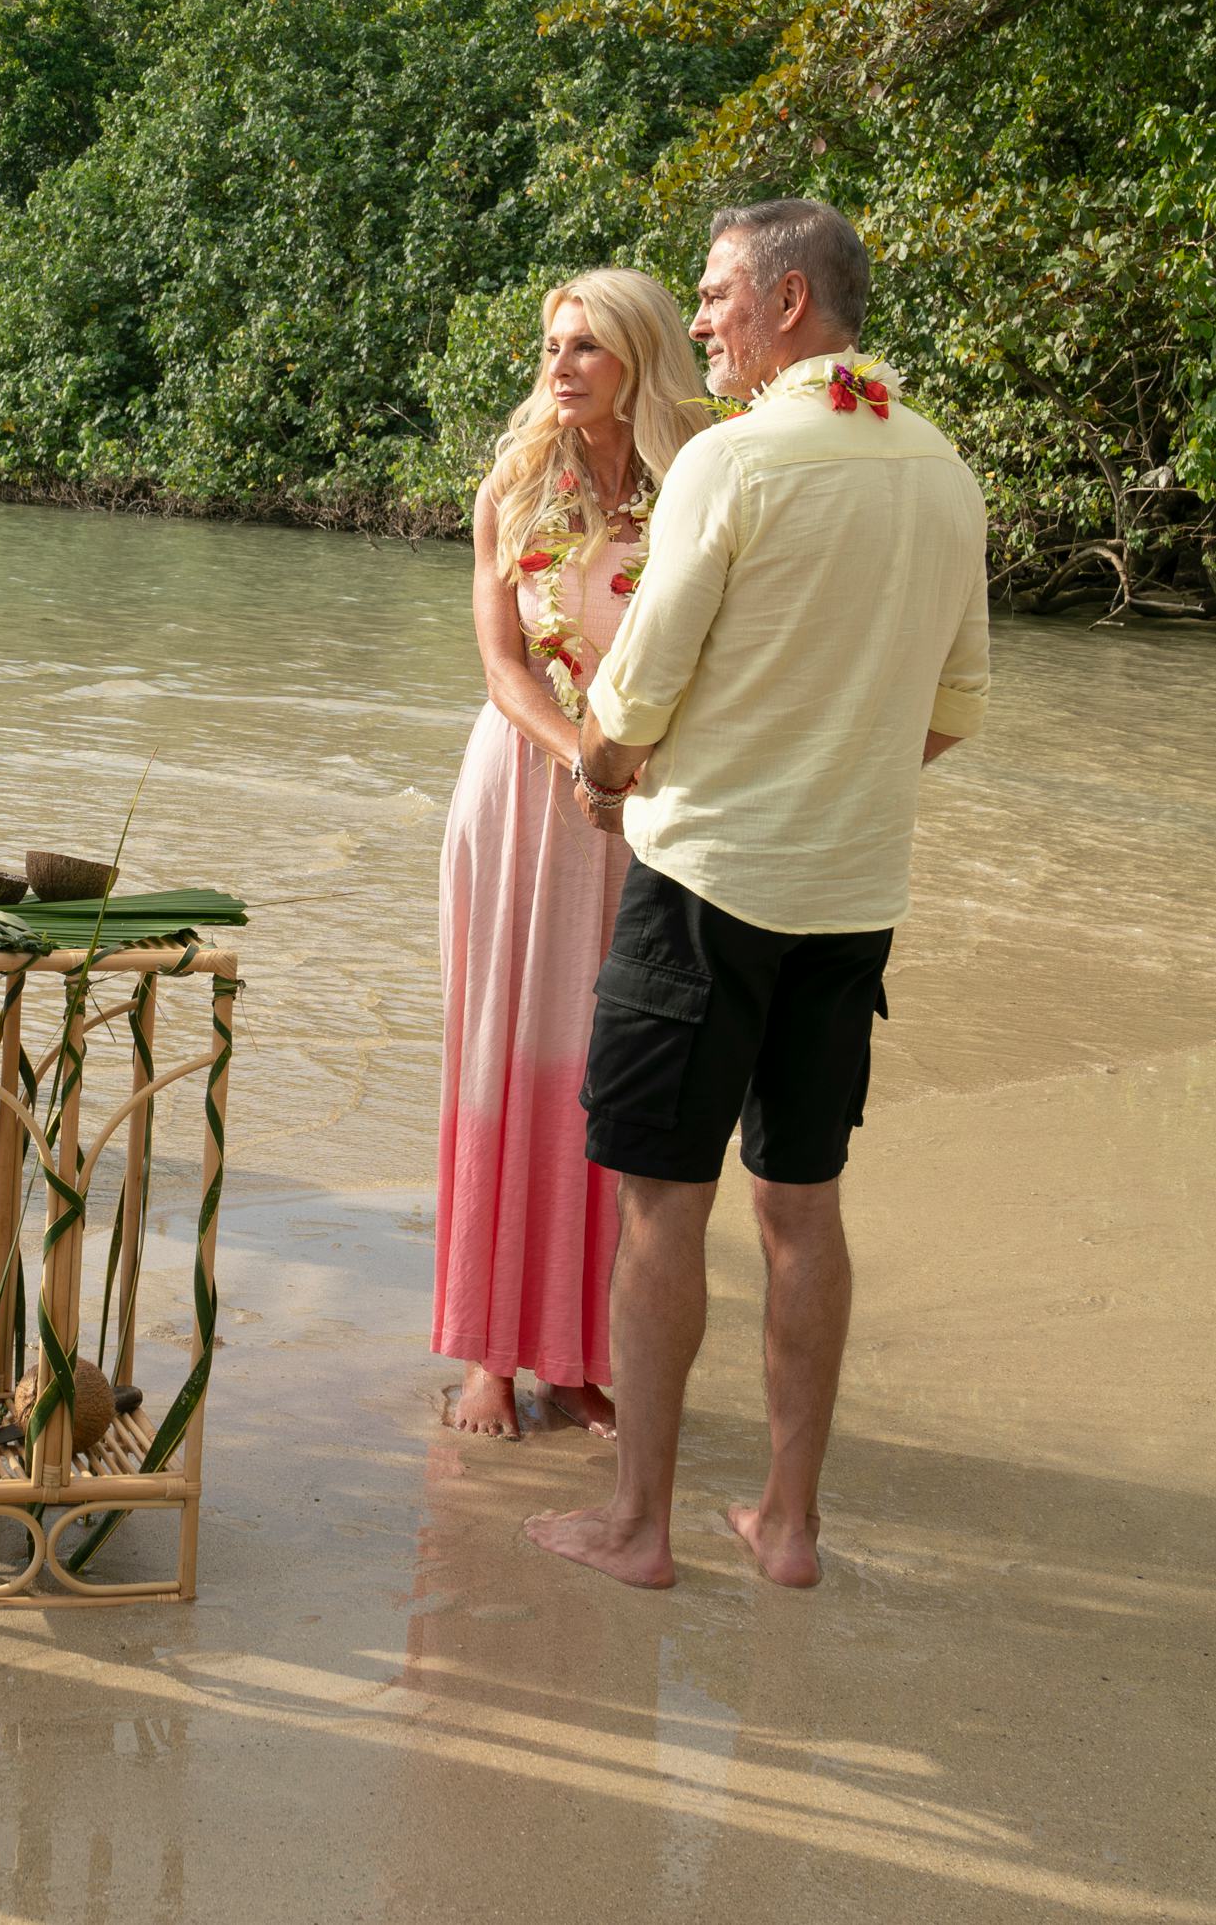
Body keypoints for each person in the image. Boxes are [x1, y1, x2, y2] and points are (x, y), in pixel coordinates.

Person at [527, 199, 989, 1591]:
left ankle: (639, 1524)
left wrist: (606, 775)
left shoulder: (731, 462)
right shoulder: (946, 470)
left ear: (791, 305)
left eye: (721, 293)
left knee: (662, 1203)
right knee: (804, 1201)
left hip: (708, 880)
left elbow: (635, 694)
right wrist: (836, 767)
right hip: (854, 897)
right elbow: (953, 710)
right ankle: (788, 1524)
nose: (705, 316)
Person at [434, 270, 707, 1440]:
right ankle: (489, 1352)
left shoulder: (697, 485)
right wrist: (584, 761)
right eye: (552, 344)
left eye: (588, 346)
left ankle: (578, 1355)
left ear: (640, 360)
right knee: (503, 1063)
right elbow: (501, 670)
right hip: (527, 797)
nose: (560, 366)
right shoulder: (513, 487)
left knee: (612, 1076)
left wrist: (635, 774)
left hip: (646, 806)